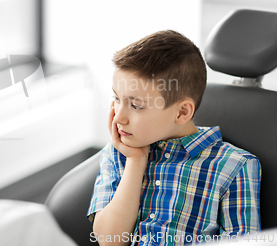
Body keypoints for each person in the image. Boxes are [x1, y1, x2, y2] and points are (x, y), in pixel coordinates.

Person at [87, 31, 261, 245]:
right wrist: (135, 161)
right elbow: (109, 241)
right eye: (116, 97)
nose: (119, 116)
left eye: (136, 105)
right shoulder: (118, 151)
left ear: (181, 113)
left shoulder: (234, 166)